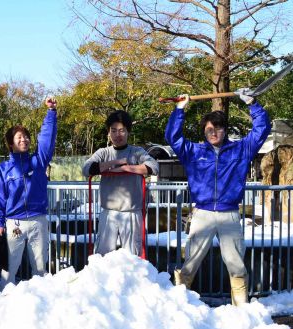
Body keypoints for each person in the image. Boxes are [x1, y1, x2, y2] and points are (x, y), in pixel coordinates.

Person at [165, 90, 271, 306]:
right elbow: (172, 137)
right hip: (202, 213)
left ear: (225, 130)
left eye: (218, 128)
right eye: (209, 129)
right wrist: (179, 109)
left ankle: (241, 308)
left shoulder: (241, 149)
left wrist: (252, 103)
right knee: (190, 262)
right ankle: (179, 305)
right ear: (204, 131)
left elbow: (262, 130)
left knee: (236, 264)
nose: (214, 132)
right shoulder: (193, 151)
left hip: (229, 214)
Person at [0, 97, 57, 290]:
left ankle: (41, 303)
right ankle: (4, 301)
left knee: (40, 267)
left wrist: (51, 112)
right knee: (9, 268)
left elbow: (47, 139)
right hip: (14, 223)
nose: (24, 140)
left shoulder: (38, 161)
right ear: (11, 143)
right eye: (19, 137)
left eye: (26, 136)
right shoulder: (3, 170)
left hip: (38, 220)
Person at [83, 110, 159, 256]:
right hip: (109, 212)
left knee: (133, 256)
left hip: (131, 212)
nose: (118, 135)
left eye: (122, 130)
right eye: (114, 130)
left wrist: (126, 168)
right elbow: (87, 169)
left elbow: (153, 167)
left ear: (128, 132)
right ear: (108, 132)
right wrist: (115, 163)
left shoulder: (136, 152)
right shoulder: (103, 152)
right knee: (102, 256)